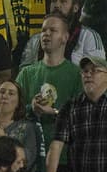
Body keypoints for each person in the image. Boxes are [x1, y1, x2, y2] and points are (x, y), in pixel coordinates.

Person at [47, 55, 107, 172]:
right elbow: (56, 144)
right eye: (85, 71)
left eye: (94, 71)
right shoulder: (71, 107)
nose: (87, 74)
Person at [17, 12, 85, 153]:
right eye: (43, 30)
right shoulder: (26, 73)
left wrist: (54, 112)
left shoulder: (78, 75)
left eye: (53, 30)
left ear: (65, 38)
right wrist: (32, 108)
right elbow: (12, 111)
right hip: (29, 155)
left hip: (65, 155)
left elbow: (83, 117)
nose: (46, 34)